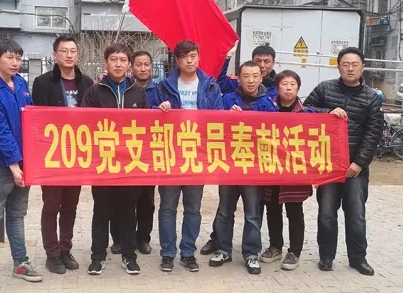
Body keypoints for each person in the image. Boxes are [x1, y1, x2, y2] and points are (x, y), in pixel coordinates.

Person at [303, 47, 383, 276]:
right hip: (328, 166)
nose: (350, 68)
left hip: (355, 168)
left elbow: (373, 133)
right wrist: (328, 111)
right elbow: (305, 111)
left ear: (362, 68)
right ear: (338, 67)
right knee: (327, 213)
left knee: (356, 215)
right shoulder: (324, 89)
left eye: (355, 65)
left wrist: (359, 163)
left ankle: (358, 258)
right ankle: (326, 257)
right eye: (345, 64)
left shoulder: (371, 97)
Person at [0, 39, 42, 291]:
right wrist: (14, 166)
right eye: (9, 57)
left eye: (18, 58)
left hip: (24, 161)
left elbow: (32, 118)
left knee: (17, 213)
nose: (15, 63)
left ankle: (20, 262)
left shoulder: (21, 84)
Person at [201, 43, 278, 256]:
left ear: (261, 77)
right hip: (229, 163)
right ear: (239, 78)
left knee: (253, 213)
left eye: (255, 76)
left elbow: (278, 128)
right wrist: (228, 116)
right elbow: (214, 122)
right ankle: (221, 247)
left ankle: (251, 252)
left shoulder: (270, 101)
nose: (251, 80)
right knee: (225, 210)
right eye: (246, 76)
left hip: (253, 166)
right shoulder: (228, 99)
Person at [155, 40, 223, 273]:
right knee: (167, 207)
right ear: (177, 60)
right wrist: (160, 110)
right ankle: (167, 253)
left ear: (198, 57)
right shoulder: (164, 86)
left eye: (193, 55)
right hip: (171, 154)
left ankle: (188, 252)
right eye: (185, 56)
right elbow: (149, 115)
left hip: (197, 155)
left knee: (193, 208)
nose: (190, 60)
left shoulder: (210, 86)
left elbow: (219, 117)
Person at [82, 43, 149, 276]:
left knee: (128, 211)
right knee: (101, 211)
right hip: (103, 162)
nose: (118, 64)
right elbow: (85, 125)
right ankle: (97, 257)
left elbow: (147, 127)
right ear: (106, 62)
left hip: (130, 162)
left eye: (122, 60)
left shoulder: (138, 92)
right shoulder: (94, 91)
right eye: (113, 59)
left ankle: (129, 256)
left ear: (128, 64)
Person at [32, 34, 93, 274]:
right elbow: (38, 119)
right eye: (64, 51)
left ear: (78, 54)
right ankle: (52, 253)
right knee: (51, 205)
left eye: (73, 51)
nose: (69, 55)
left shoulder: (87, 83)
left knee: (70, 204)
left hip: (77, 153)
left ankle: (66, 249)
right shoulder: (42, 82)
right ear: (55, 55)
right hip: (51, 154)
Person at [260, 70, 313, 270]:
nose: (288, 88)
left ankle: (295, 251)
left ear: (298, 88)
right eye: (284, 84)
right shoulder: (267, 108)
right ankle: (275, 246)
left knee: (294, 211)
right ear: (277, 87)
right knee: (272, 209)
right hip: (271, 168)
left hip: (294, 171)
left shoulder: (307, 113)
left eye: (292, 84)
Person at [110, 51, 158, 255]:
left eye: (147, 64)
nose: (143, 68)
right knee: (119, 199)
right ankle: (119, 239)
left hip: (148, 152)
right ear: (132, 67)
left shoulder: (160, 89)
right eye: (139, 64)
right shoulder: (123, 87)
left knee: (146, 200)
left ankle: (143, 238)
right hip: (120, 151)